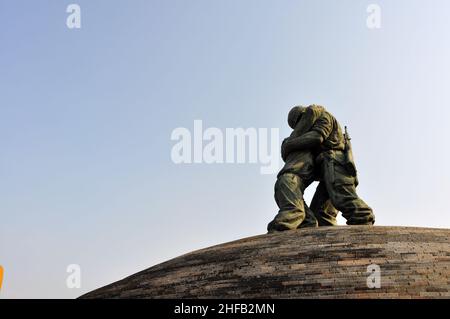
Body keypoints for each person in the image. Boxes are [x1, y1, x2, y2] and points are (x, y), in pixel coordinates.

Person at [281, 107, 375, 225]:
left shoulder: (323, 116)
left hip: (335, 163)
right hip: (325, 168)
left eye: (299, 123)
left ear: (303, 115)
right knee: (321, 213)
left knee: (342, 197)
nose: (300, 127)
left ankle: (364, 223)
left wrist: (289, 145)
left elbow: (317, 137)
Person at [267, 105, 338, 232]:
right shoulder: (295, 143)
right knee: (301, 216)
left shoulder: (301, 143)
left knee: (308, 218)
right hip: (291, 181)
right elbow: (315, 137)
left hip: (290, 181)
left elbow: (317, 137)